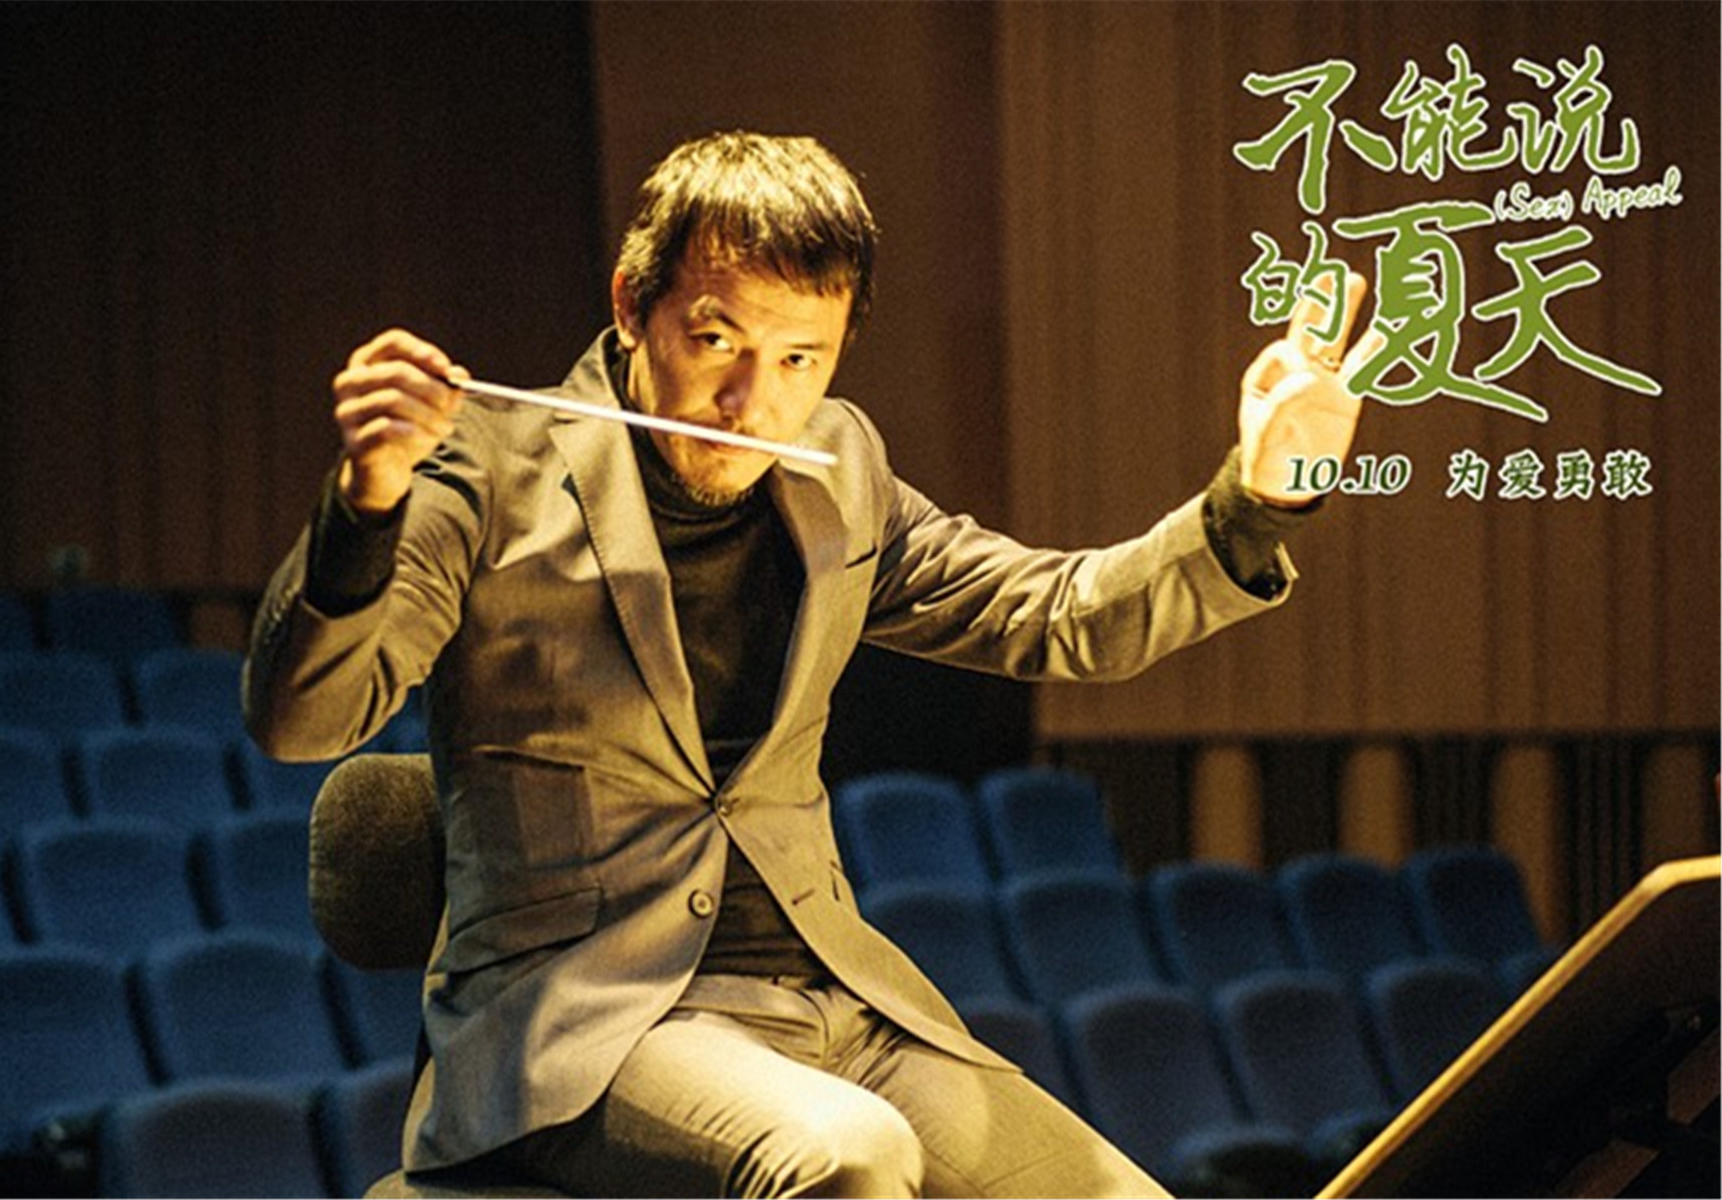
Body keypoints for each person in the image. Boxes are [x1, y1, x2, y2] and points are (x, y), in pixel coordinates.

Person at [244, 131, 1380, 1198]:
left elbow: (1060, 616)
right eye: (717, 342)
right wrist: (366, 506)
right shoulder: (491, 468)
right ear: (632, 306)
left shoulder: (837, 464)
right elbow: (305, 719)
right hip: (583, 1023)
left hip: (835, 1005)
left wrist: (1259, 497)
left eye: (801, 359)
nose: (755, 400)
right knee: (846, 1153)